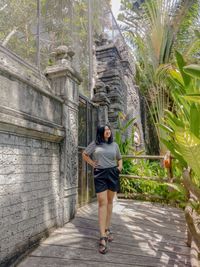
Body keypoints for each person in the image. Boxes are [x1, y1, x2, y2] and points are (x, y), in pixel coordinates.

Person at [82, 124, 123, 254]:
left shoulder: (114, 145)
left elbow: (119, 158)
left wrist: (119, 168)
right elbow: (84, 154)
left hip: (112, 173)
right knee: (102, 202)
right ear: (101, 132)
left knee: (110, 202)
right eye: (105, 130)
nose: (108, 131)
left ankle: (107, 228)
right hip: (100, 174)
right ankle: (102, 237)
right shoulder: (95, 144)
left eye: (109, 129)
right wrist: (92, 163)